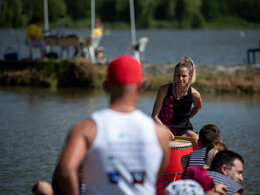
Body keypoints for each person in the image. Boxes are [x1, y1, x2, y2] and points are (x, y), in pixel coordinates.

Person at [53, 55, 171, 195]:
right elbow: (156, 175)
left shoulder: (86, 129)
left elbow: (66, 170)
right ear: (139, 87)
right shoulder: (160, 134)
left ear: (105, 87)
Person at [151, 56, 202, 140]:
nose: (180, 79)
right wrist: (165, 130)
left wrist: (185, 119)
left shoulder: (195, 95)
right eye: (177, 75)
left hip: (183, 130)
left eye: (184, 76)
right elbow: (154, 117)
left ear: (190, 76)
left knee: (197, 139)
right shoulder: (164, 89)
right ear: (174, 75)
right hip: (161, 127)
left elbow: (197, 108)